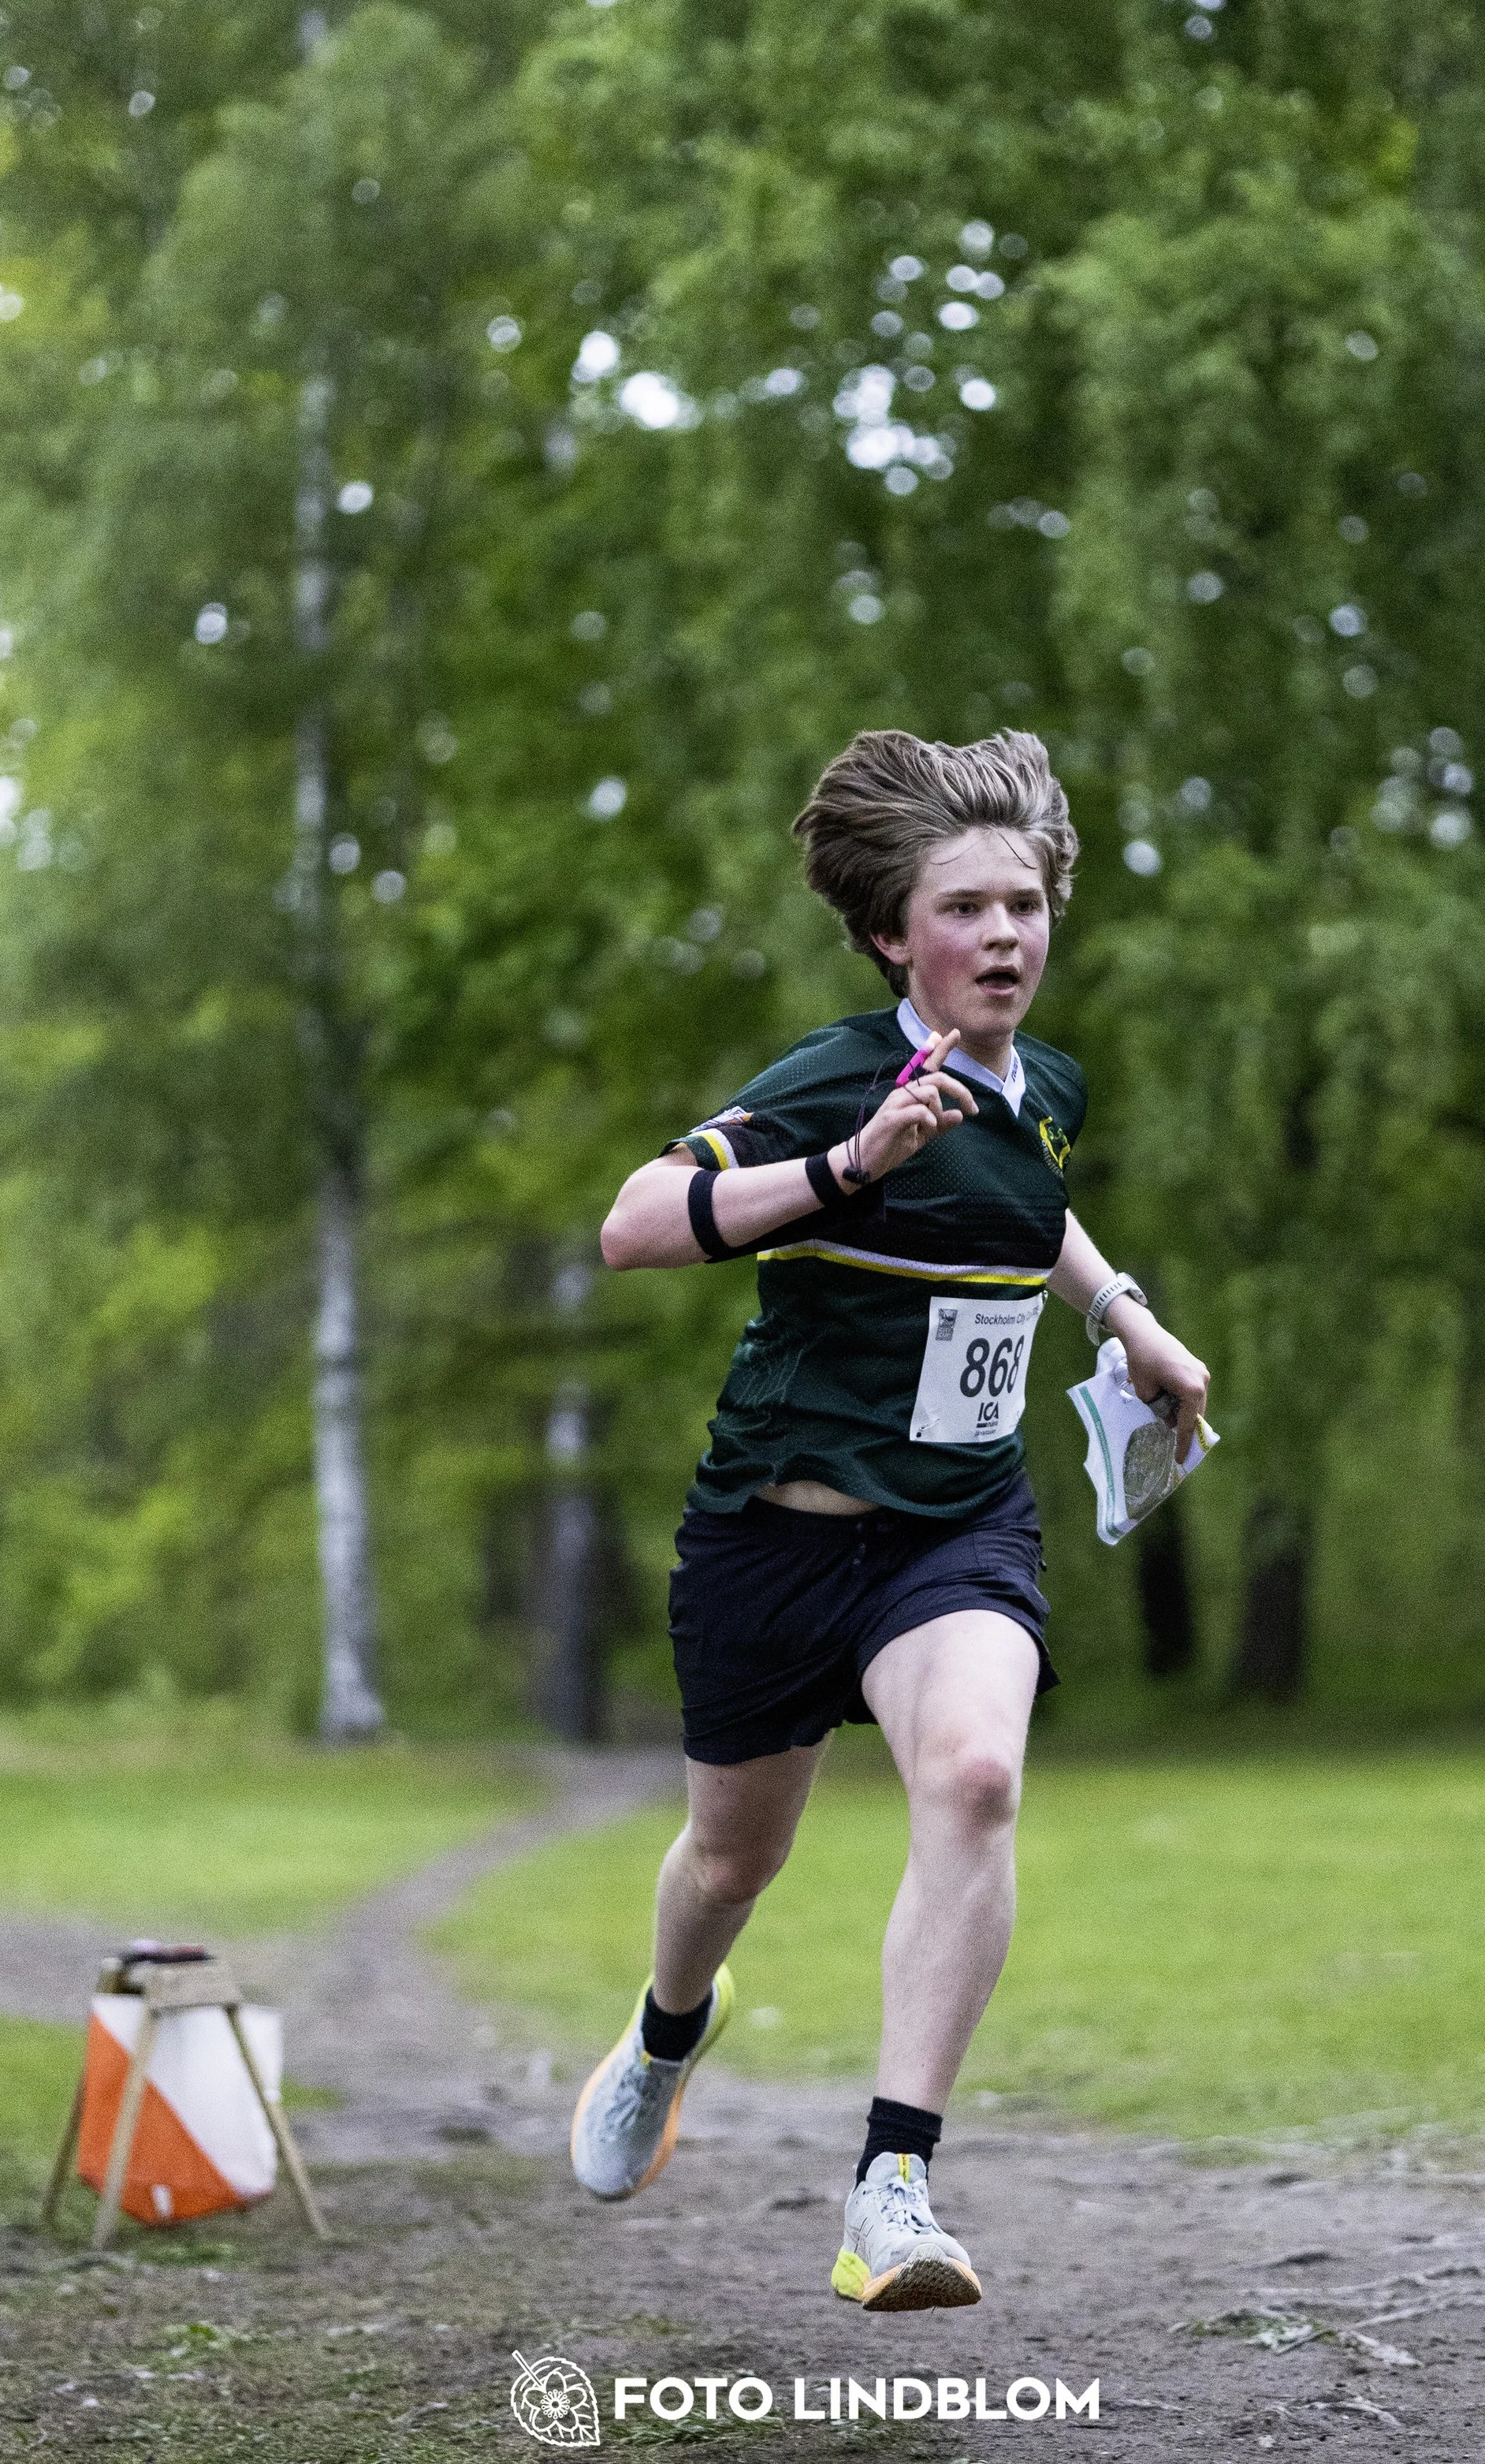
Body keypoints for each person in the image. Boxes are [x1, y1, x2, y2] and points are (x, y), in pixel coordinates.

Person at [571, 728, 1208, 2311]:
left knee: (978, 1773)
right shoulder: (835, 1076)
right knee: (728, 1861)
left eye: (1026, 903)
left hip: (955, 1530)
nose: (1006, 934)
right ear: (887, 932)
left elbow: (1030, 1198)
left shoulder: (1043, 1083)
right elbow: (631, 1225)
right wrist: (844, 1166)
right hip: (775, 1540)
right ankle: (666, 2028)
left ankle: (892, 2185)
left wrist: (1125, 1314)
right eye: (967, 907)